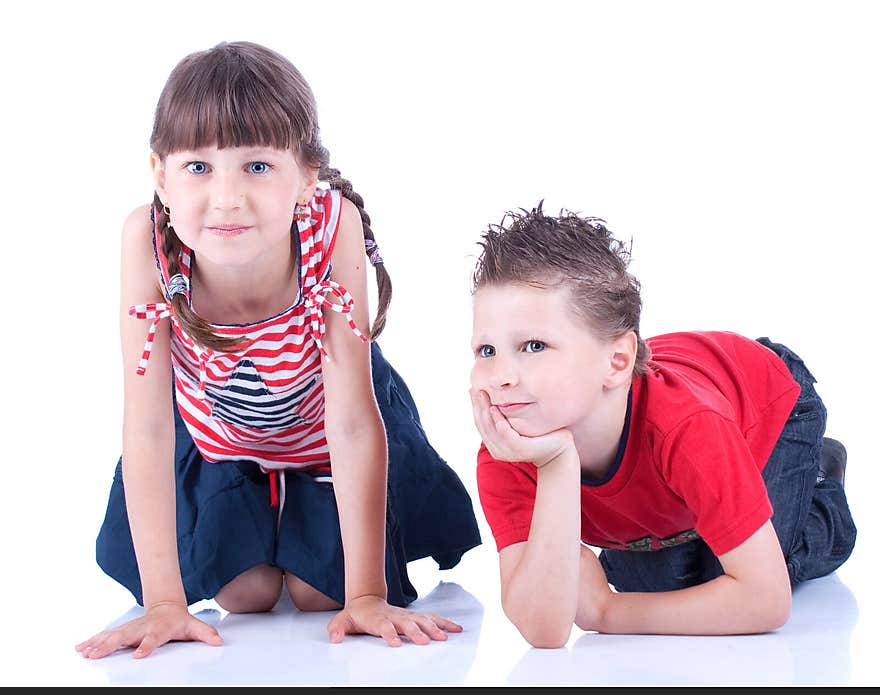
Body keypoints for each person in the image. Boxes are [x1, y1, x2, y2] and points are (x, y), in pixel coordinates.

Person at [77, 41, 480, 660]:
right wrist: (164, 602)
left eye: (258, 166)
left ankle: (309, 520)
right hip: (219, 435)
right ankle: (259, 511)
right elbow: (150, 426)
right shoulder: (147, 243)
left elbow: (350, 420)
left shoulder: (331, 225)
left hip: (324, 428)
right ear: (160, 174)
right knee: (246, 594)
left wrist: (367, 594)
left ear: (306, 176)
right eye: (199, 168)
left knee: (325, 593)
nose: (228, 196)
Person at [469, 204, 856, 648]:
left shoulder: (686, 427)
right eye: (486, 350)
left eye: (533, 346)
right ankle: (706, 523)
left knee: (722, 577)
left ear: (616, 362)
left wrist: (609, 613)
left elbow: (766, 601)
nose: (501, 375)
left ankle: (820, 484)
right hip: (668, 488)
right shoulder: (509, 449)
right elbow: (543, 628)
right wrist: (557, 464)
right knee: (666, 587)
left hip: (767, 412)